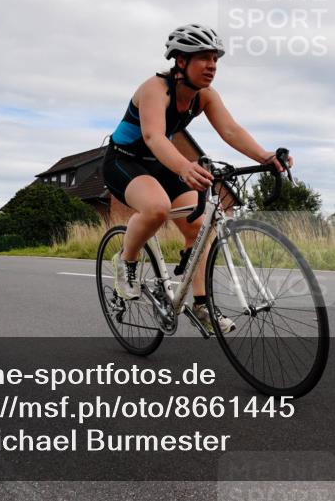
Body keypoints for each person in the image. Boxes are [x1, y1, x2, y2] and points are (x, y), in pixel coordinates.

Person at [102, 24, 291, 334]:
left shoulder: (204, 96)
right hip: (125, 160)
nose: (212, 66)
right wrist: (184, 167)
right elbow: (153, 136)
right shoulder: (155, 88)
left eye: (215, 58)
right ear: (180, 62)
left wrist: (265, 157)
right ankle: (126, 259)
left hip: (162, 162)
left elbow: (231, 131)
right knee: (156, 208)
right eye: (204, 58)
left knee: (201, 223)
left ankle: (202, 306)